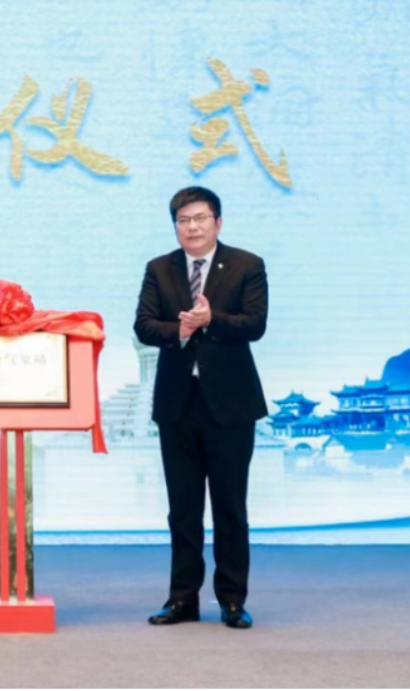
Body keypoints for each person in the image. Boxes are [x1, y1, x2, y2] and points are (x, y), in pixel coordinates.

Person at [134, 186, 269, 629]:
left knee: (230, 507)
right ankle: (181, 599)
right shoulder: (160, 268)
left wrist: (213, 320)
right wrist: (181, 330)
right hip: (178, 404)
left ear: (218, 222)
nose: (192, 227)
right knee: (183, 510)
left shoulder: (247, 265)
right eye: (183, 220)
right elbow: (144, 325)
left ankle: (232, 600)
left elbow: (255, 324)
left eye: (200, 218)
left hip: (231, 405)